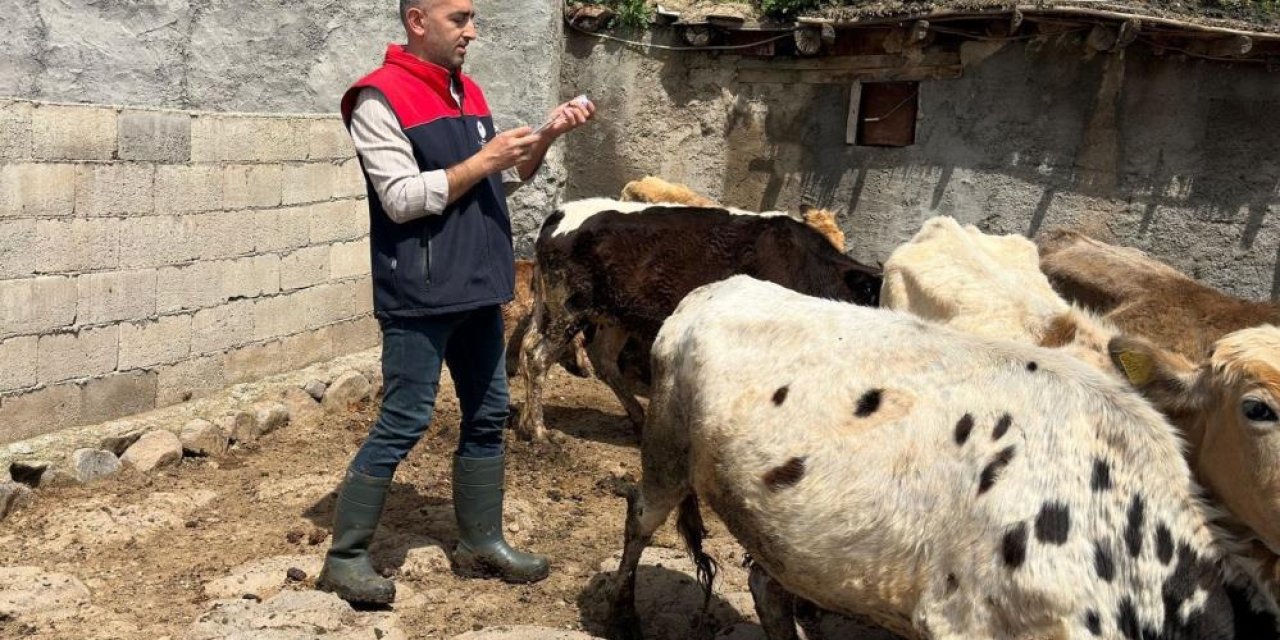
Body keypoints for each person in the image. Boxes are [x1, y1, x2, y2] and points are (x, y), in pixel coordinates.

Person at [319, 0, 594, 604]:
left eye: (473, 18)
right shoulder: (376, 98)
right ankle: (344, 558)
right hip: (420, 292)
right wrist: (483, 159)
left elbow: (504, 178)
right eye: (459, 18)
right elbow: (400, 198)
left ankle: (481, 542)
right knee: (405, 420)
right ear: (417, 21)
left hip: (478, 285)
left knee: (490, 413)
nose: (471, 30)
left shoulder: (466, 91)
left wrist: (545, 135)